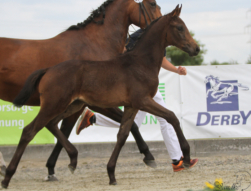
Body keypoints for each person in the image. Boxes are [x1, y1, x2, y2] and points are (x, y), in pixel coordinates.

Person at [75, 29, 198, 172]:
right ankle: (177, 160)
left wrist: (176, 70)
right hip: (139, 85)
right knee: (163, 119)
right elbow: (123, 49)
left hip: (146, 84)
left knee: (135, 123)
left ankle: (93, 118)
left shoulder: (160, 35)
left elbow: (162, 60)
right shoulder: (142, 34)